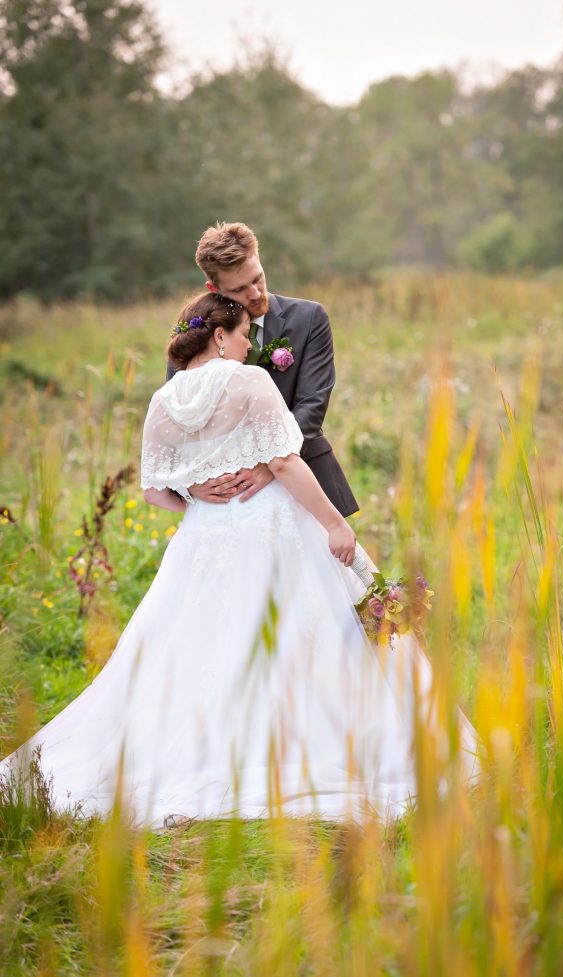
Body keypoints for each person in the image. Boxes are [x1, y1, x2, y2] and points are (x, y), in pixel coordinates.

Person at [0, 293, 479, 826]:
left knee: (202, 644)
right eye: (246, 333)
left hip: (204, 539)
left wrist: (198, 494)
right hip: (272, 527)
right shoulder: (249, 379)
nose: (251, 343)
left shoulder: (163, 400)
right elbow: (283, 460)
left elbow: (156, 492)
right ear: (220, 336)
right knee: (300, 635)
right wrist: (335, 523)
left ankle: (213, 748)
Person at [172, 221, 358, 517]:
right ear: (213, 288)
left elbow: (311, 406)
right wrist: (188, 484)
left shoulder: (309, 318)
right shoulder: (194, 333)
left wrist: (272, 464)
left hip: (305, 479)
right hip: (229, 501)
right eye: (239, 289)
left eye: (258, 278)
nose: (256, 293)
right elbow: (176, 416)